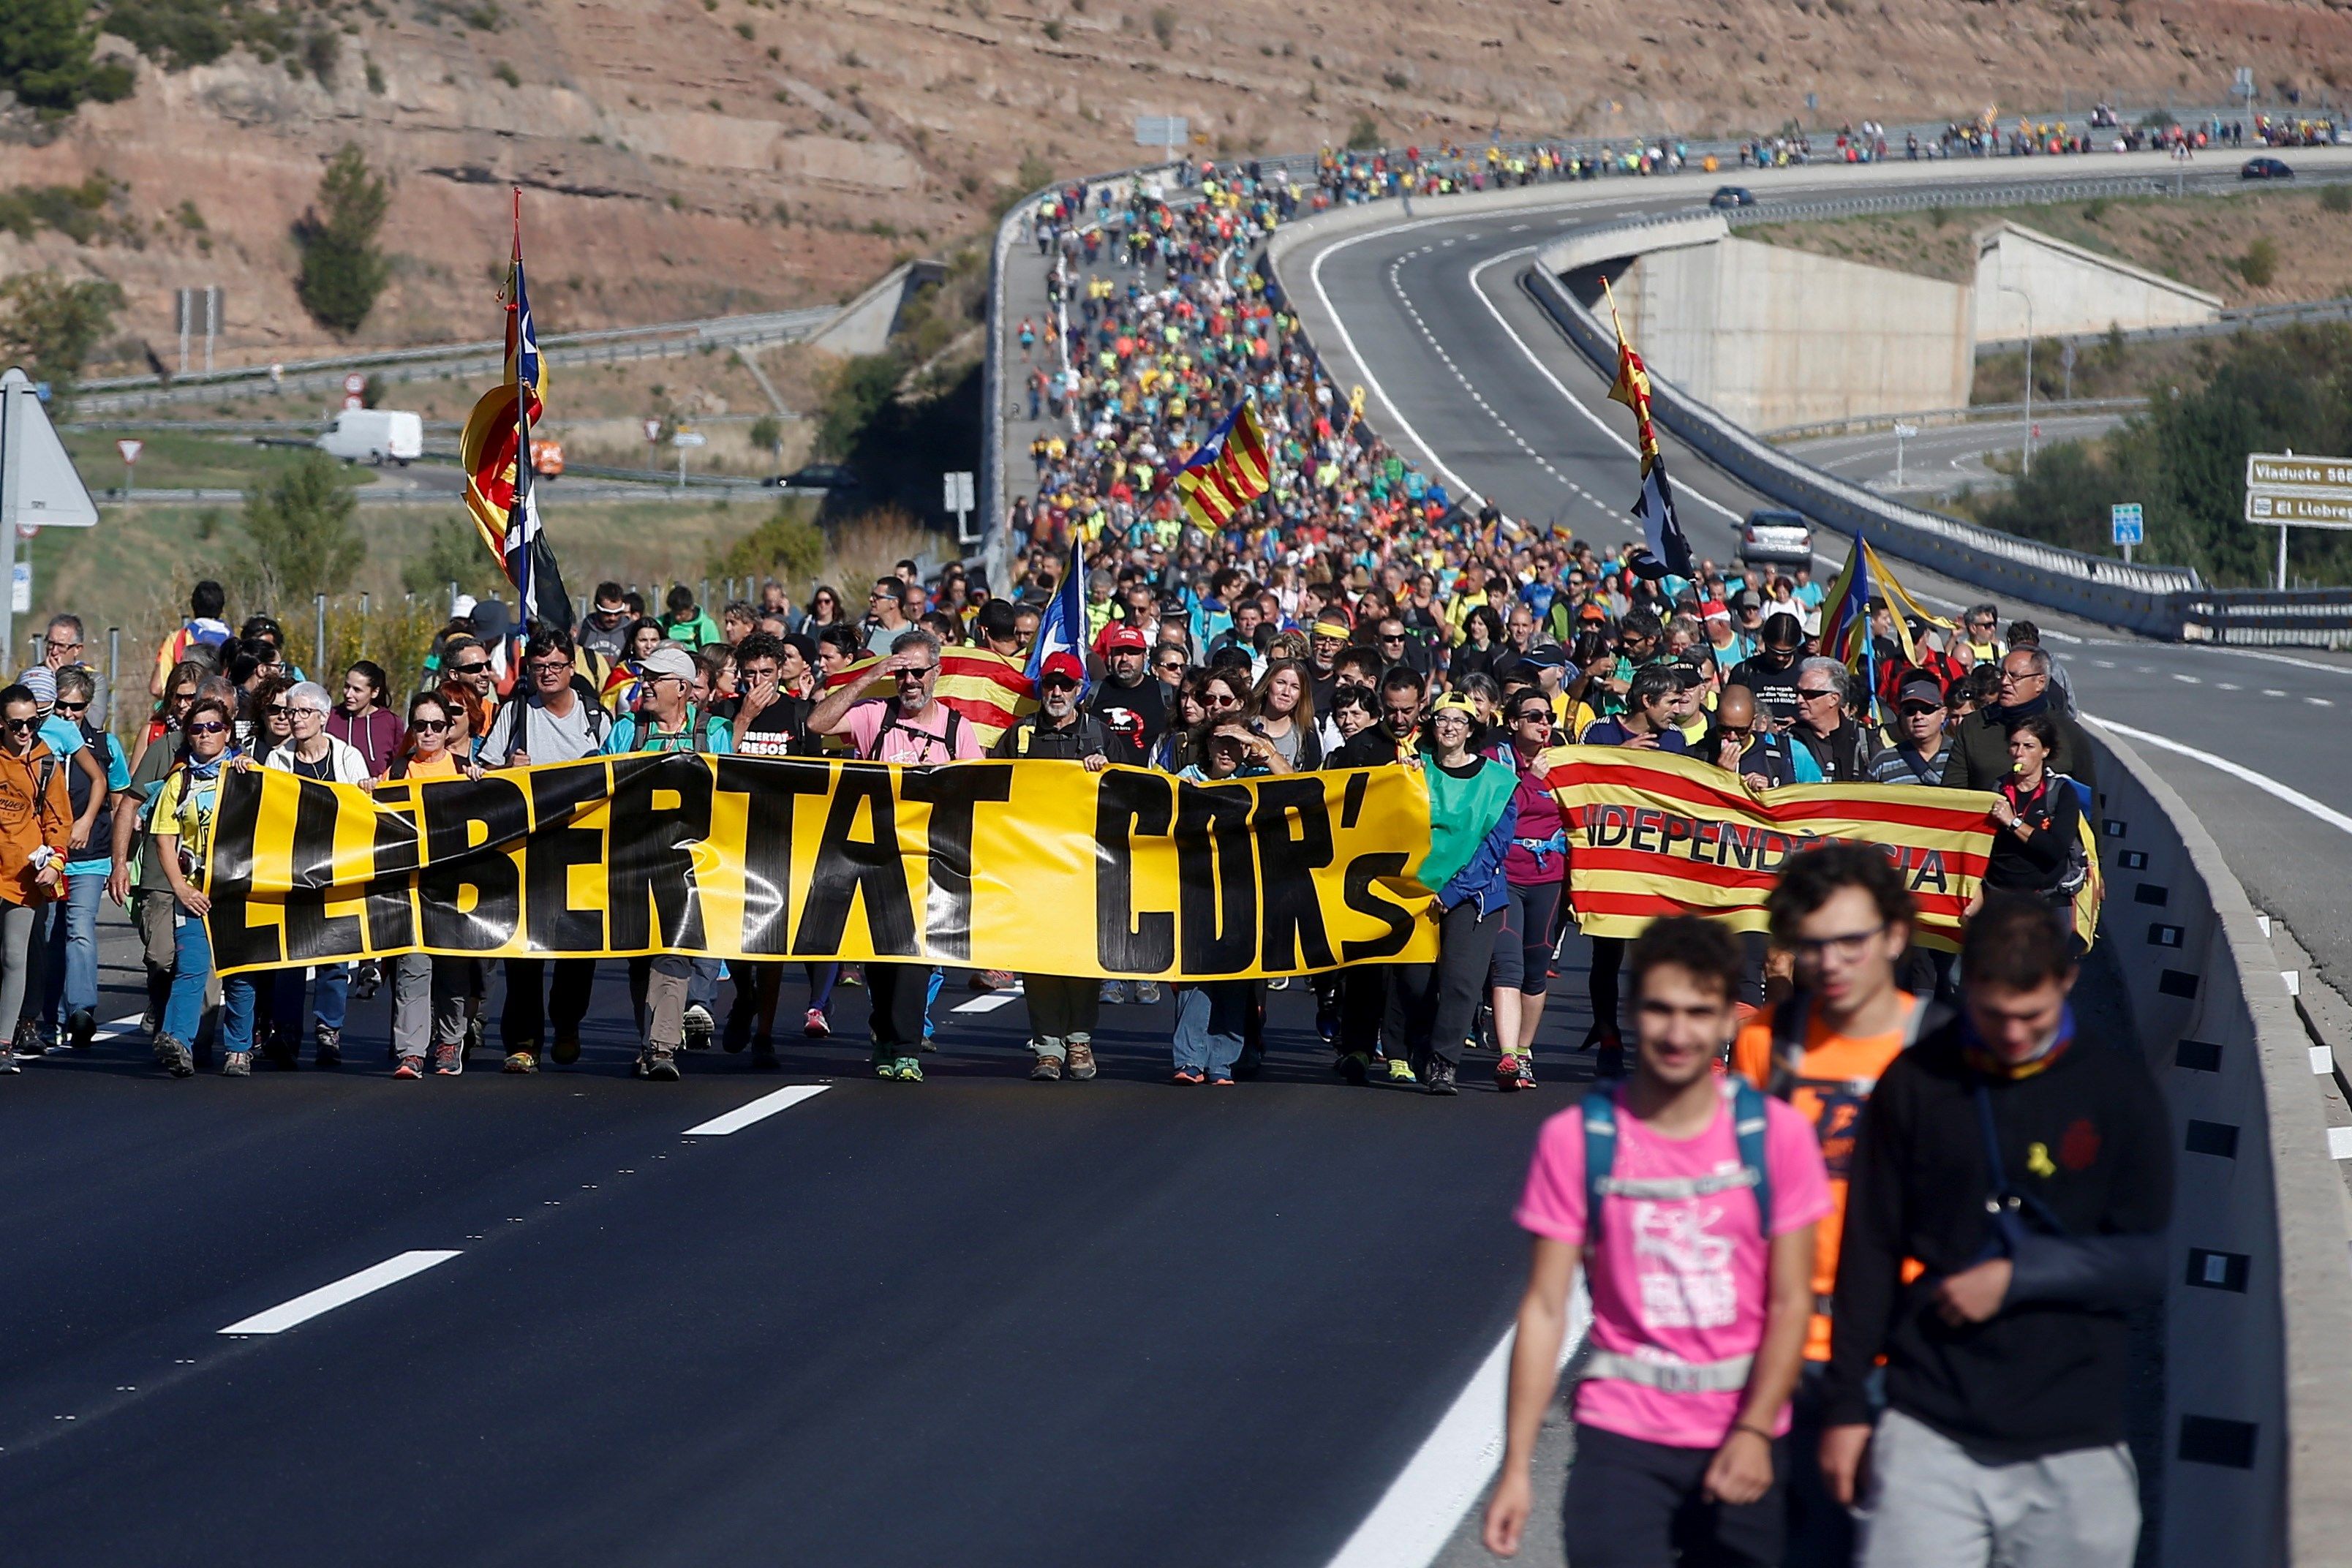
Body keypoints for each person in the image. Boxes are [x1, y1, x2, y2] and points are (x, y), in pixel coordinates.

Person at [1818, 894, 2171, 1568]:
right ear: (1968, 984)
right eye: (1993, 1015)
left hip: (2075, 1436)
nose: (2012, 1036)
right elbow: (1868, 1253)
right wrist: (1847, 1408)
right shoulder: (1917, 1082)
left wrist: (2016, 1278)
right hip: (1929, 1425)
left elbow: (2148, 1260)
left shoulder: (2117, 1090)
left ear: (2067, 981)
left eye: (2031, 1017)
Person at [1483, 916, 1828, 1565]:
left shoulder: (1776, 1136)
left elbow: (1790, 1303)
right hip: (1623, 1434)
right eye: (1662, 1010)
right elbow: (1545, 1308)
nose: (1678, 1033)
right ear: (1636, 1011)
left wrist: (1756, 1430)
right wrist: (1517, 1468)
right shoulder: (1579, 1140)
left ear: (1731, 1019)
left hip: (1744, 1430)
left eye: (1699, 1012)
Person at [1732, 845, 1944, 1566]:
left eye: (1850, 940)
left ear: (1893, 934)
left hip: (1911, 1353)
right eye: (1812, 943)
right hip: (1787, 1352)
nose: (1831, 961)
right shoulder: (1768, 1041)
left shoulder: (1944, 1047)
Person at [807, 628, 983, 1081]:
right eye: (900, 672)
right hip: (872, 858)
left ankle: (906, 1048)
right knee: (878, 960)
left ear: (936, 674)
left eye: (917, 672)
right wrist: (870, 677)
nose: (909, 681)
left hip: (929, 861)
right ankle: (883, 1038)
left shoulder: (955, 729)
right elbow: (817, 724)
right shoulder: (873, 716)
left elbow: (977, 791)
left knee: (913, 956)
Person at [476, 628, 613, 1071]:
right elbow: (485, 774)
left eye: (555, 666)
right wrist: (506, 770)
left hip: (582, 851)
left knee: (577, 950)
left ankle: (567, 1024)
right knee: (523, 953)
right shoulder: (515, 713)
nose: (547, 674)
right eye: (538, 668)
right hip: (526, 851)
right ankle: (524, 1042)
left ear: (572, 668)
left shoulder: (596, 717)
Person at [596, 643, 732, 1079]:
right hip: (634, 862)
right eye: (645, 676)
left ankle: (662, 1048)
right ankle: (650, 1042)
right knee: (641, 957)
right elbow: (593, 785)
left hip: (693, 866)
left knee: (673, 953)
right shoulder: (625, 731)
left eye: (655, 678)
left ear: (683, 688)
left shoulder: (714, 733)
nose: (646, 684)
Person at [991, 652, 1112, 1082]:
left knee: (1081, 960)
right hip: (1033, 871)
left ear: (1080, 690)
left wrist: (1106, 772)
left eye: (1066, 685)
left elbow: (1133, 796)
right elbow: (989, 788)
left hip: (1085, 871)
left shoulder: (1099, 735)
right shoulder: (1020, 736)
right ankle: (1047, 1048)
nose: (1056, 693)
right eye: (1049, 685)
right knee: (1039, 960)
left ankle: (1079, 1041)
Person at [1390, 693, 1515, 1096]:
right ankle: (1421, 1049)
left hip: (1473, 895)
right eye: (1442, 720)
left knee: (1461, 980)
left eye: (1459, 721)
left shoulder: (1498, 780)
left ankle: (1445, 1063)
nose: (1449, 727)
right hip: (1416, 892)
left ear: (1471, 728)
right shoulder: (1414, 772)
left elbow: (1496, 844)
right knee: (1416, 982)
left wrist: (1455, 889)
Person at [377, 693, 488, 1078]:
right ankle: (411, 1052)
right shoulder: (396, 773)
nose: (428, 732)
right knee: (412, 967)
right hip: (410, 888)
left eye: (436, 726)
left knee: (453, 970)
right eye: (421, 725)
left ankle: (450, 1042)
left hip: (455, 889)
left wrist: (481, 781)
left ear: (448, 730)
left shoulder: (463, 770)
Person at [1168, 723, 1276, 1084]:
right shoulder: (1186, 777)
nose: (1228, 751)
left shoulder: (1259, 776)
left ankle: (1222, 1062)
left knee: (1236, 977)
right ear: (1208, 745)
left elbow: (1297, 785)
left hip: (1246, 891)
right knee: (1195, 977)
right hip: (1196, 890)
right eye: (1221, 743)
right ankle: (1189, 1060)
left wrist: (1260, 747)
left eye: (1236, 744)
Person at [23, 668, 121, 1055]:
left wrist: (116, 856)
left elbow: (113, 792)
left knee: (79, 928)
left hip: (88, 852)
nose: (66, 713)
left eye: (75, 707)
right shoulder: (24, 736)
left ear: (88, 708)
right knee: (47, 935)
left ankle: (81, 1011)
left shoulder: (99, 743)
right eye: (59, 705)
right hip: (44, 852)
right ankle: (44, 1017)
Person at [146, 696, 244, 1078]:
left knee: (240, 973)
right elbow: (164, 841)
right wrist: (180, 889)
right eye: (197, 728)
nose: (205, 735)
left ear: (228, 732)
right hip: (194, 893)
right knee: (190, 968)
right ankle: (178, 1043)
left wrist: (251, 770)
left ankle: (238, 1049)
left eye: (214, 727)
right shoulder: (179, 781)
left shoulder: (245, 773)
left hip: (237, 892)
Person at [1488, 690, 1564, 1093]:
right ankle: (1508, 1056)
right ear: (1513, 722)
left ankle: (1524, 1050)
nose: (1543, 722)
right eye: (1533, 715)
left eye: (1548, 715)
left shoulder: (1564, 756)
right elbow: (1498, 808)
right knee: (1508, 964)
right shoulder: (1495, 760)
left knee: (1536, 967)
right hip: (1505, 874)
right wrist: (1531, 778)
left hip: (1549, 876)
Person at [1940, 647, 2095, 794]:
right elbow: (1953, 793)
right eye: (2002, 674)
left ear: (2040, 682)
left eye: (2015, 677)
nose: (2005, 682)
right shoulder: (1974, 726)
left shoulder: (2069, 733)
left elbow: (2090, 805)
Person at [1088, 622, 1167, 766]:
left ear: (1144, 657)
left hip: (1149, 783)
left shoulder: (1165, 694)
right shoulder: (1093, 693)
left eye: (1132, 652)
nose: (1124, 659)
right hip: (1103, 782)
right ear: (1110, 657)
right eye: (1118, 652)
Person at [1788, 658, 1871, 783]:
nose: (1799, 700)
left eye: (1809, 694)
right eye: (1797, 692)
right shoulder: (1789, 741)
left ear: (1833, 699)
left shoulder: (1865, 740)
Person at [149, 579, 233, 697]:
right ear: (222, 607)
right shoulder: (236, 642)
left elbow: (156, 688)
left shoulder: (177, 639)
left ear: (193, 605)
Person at [1726, 613, 1809, 730]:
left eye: (1787, 654)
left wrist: (1800, 723)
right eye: (1774, 652)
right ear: (1765, 641)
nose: (1780, 658)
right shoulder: (1745, 671)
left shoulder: (1808, 672)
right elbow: (1731, 712)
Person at [1868, 672, 1951, 786]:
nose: (1918, 716)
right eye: (1910, 710)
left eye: (1927, 709)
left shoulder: (1961, 757)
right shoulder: (1883, 762)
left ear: (1943, 714)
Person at [327, 660, 403, 777]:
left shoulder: (391, 723)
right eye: (347, 687)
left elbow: (397, 767)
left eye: (357, 690)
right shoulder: (329, 717)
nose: (348, 694)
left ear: (374, 692)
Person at [578, 581, 635, 663]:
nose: (613, 618)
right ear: (596, 607)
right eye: (607, 613)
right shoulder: (582, 630)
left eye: (618, 613)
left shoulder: (631, 631)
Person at [659, 582, 723, 649]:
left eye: (681, 614)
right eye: (674, 613)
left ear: (691, 607)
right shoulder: (661, 623)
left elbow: (714, 654)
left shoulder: (707, 626)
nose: (677, 617)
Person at [861, 577, 912, 655]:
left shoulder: (916, 632)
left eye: (877, 597)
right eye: (872, 595)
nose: (871, 599)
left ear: (893, 603)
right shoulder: (864, 630)